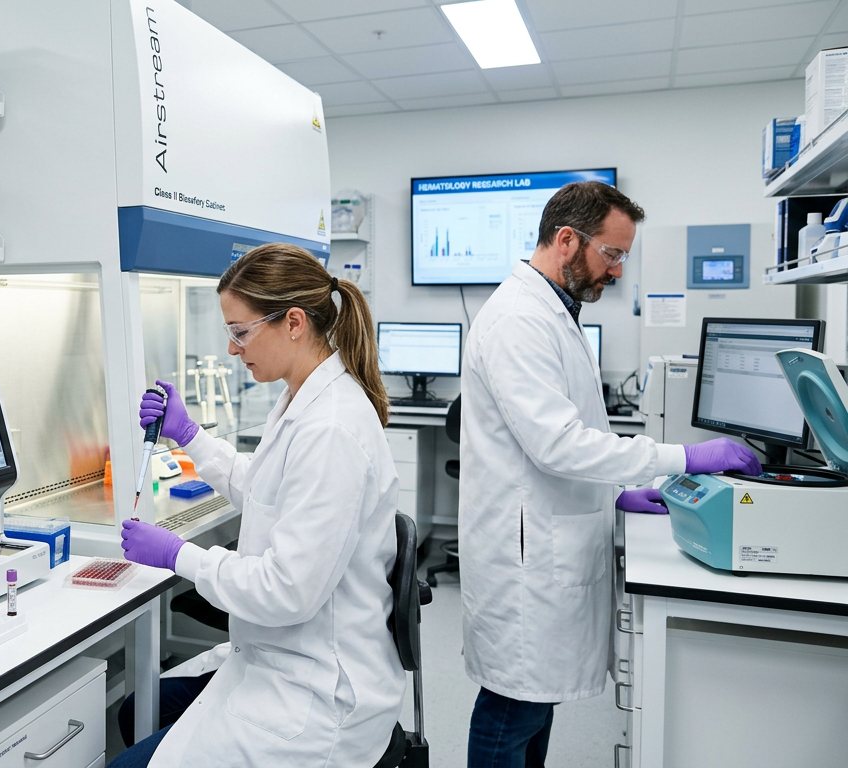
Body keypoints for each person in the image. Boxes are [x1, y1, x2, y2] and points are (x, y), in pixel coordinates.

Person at [459, 181, 761, 767]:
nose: (618, 272)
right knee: (512, 710)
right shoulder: (519, 320)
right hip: (523, 565)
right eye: (613, 254)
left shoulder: (554, 311)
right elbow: (559, 445)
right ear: (567, 240)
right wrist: (685, 457)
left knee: (531, 710)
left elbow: (568, 434)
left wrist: (620, 491)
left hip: (545, 542)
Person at [110, 243, 405, 767]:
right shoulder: (302, 395)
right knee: (140, 709)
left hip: (315, 695)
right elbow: (268, 490)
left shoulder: (331, 426)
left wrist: (180, 554)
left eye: (240, 332)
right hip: (274, 658)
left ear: (293, 322)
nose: (231, 349)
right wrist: (188, 434)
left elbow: (286, 590)